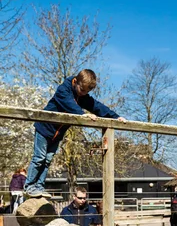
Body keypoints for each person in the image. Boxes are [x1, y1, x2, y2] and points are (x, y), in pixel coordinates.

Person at [24, 69, 126, 197]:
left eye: (86, 92)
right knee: (39, 158)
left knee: (48, 160)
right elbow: (69, 104)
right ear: (75, 82)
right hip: (44, 128)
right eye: (82, 90)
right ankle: (29, 186)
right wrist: (83, 114)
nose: (84, 94)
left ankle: (39, 187)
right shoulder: (63, 90)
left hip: (57, 134)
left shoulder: (81, 96)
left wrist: (115, 117)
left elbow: (96, 105)